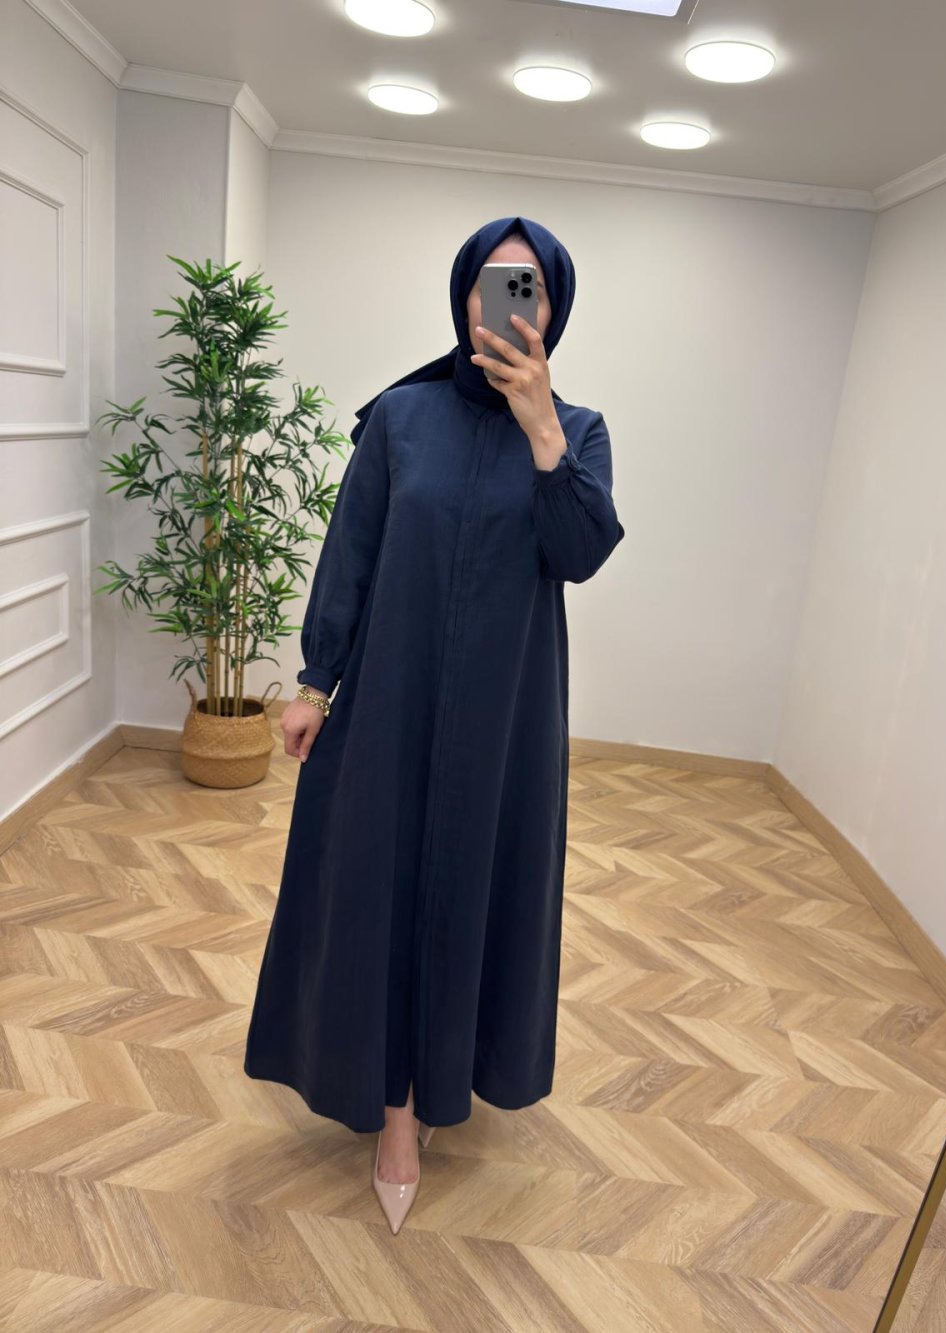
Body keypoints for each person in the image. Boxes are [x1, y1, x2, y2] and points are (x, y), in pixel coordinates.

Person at [243, 215, 626, 1233]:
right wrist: (315, 680)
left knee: (473, 883)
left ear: (553, 309)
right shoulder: (401, 418)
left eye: (529, 287)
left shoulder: (579, 431)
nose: (508, 302)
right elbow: (352, 550)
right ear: (463, 295)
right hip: (391, 693)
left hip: (508, 713)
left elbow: (581, 553)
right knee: (375, 882)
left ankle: (432, 1085)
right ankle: (389, 1106)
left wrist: (542, 431)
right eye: (492, 282)